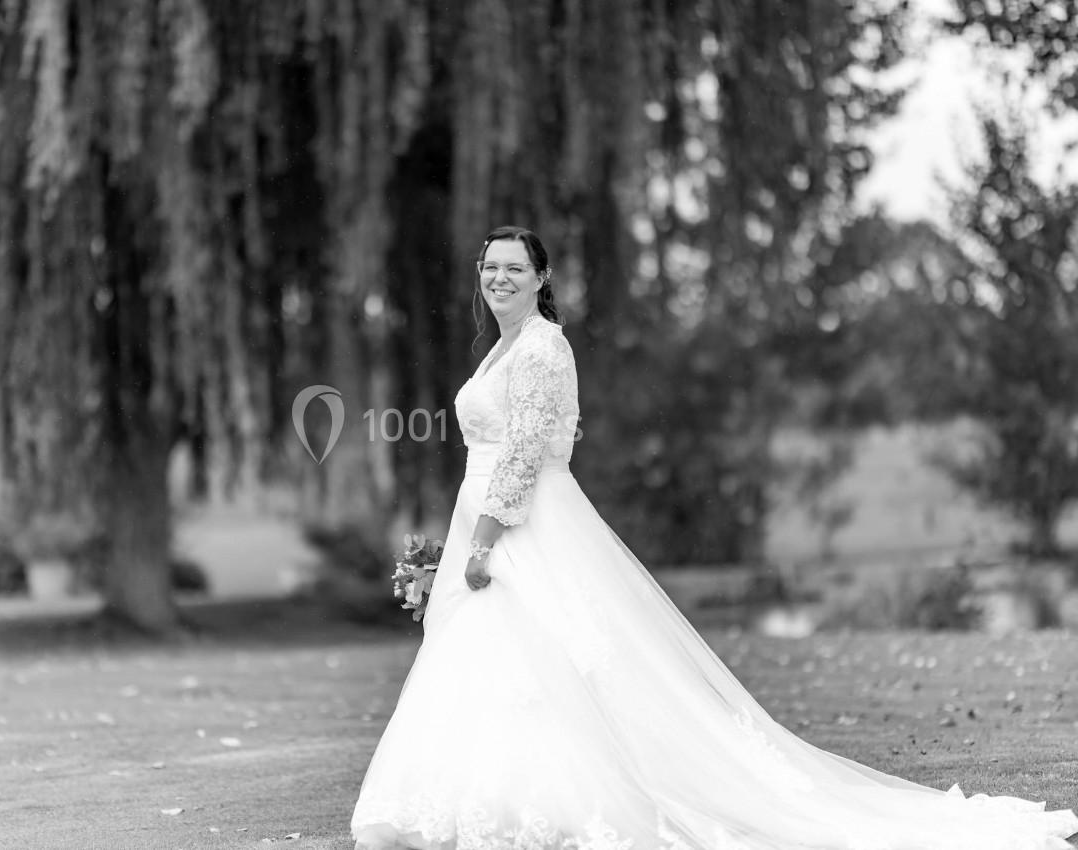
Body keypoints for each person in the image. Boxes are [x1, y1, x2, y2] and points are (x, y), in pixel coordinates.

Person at [349, 225, 1078, 850]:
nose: (499, 278)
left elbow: (532, 451)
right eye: (490, 268)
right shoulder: (503, 347)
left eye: (514, 267)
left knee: (545, 654)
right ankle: (481, 797)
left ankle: (553, 800)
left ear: (541, 277)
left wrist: (482, 540)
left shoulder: (542, 348)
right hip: (493, 510)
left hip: (518, 518)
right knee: (502, 657)